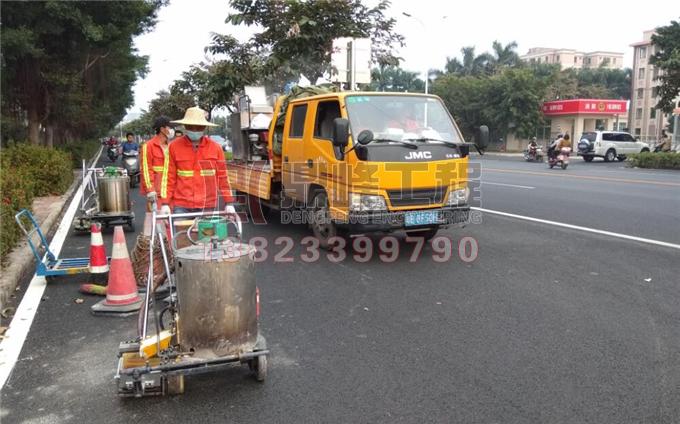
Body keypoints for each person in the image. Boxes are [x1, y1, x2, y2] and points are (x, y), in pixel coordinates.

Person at [162, 106, 234, 215]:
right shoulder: (174, 147)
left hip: (208, 204)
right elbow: (169, 177)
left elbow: (223, 177)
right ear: (185, 126)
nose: (195, 130)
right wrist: (165, 203)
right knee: (180, 232)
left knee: (208, 232)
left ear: (204, 127)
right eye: (191, 127)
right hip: (182, 204)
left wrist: (229, 202)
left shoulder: (215, 148)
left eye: (199, 127)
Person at [140, 116, 174, 206]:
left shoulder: (172, 146)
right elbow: (146, 170)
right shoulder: (148, 146)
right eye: (169, 127)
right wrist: (150, 190)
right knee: (156, 218)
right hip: (156, 193)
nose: (171, 130)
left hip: (171, 191)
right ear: (162, 129)